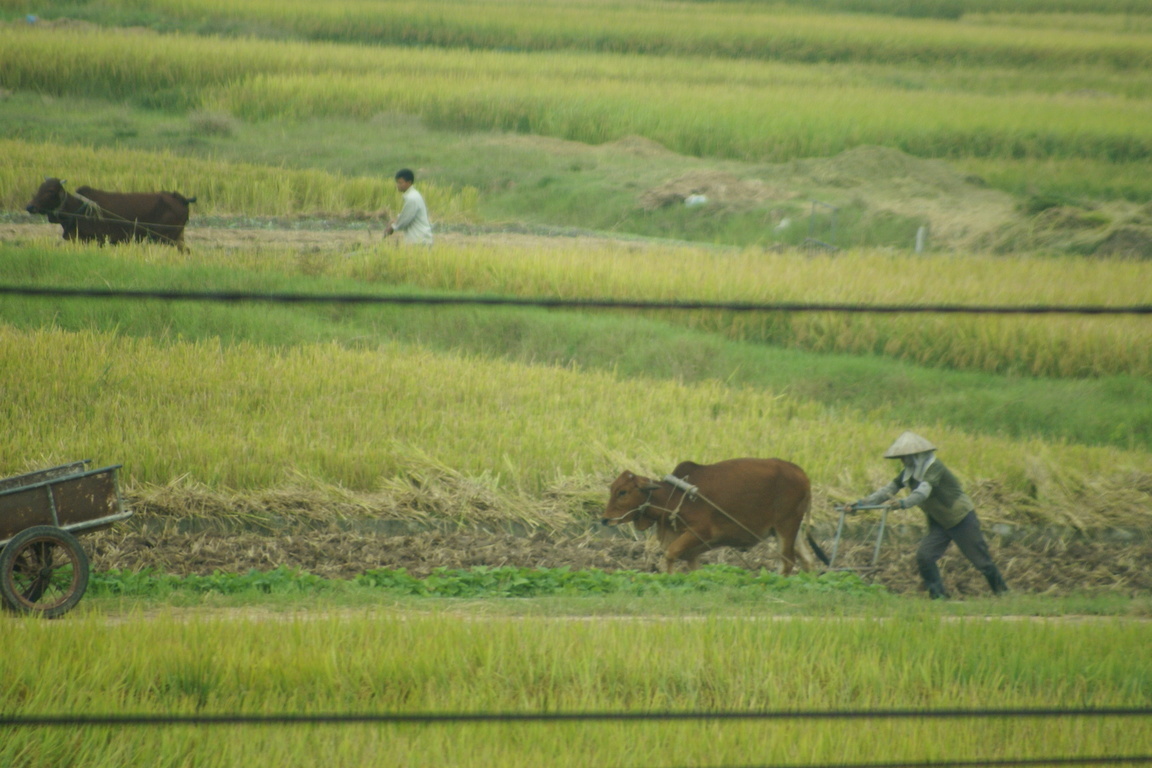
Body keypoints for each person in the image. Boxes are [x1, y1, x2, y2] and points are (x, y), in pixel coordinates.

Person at [848, 431, 1008, 599]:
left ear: (917, 456)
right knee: (925, 556)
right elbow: (888, 490)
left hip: (960, 518)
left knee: (981, 561)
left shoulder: (934, 468)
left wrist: (903, 503)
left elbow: (923, 491)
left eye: (905, 457)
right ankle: (938, 596)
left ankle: (1003, 594)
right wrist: (861, 504)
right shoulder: (908, 473)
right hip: (939, 521)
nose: (903, 461)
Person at [384, 168, 433, 245]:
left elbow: (405, 219)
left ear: (409, 182)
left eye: (400, 183)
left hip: (419, 240)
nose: (398, 185)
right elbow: (407, 215)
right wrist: (395, 220)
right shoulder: (414, 195)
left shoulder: (412, 198)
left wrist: (392, 227)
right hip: (420, 239)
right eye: (397, 183)